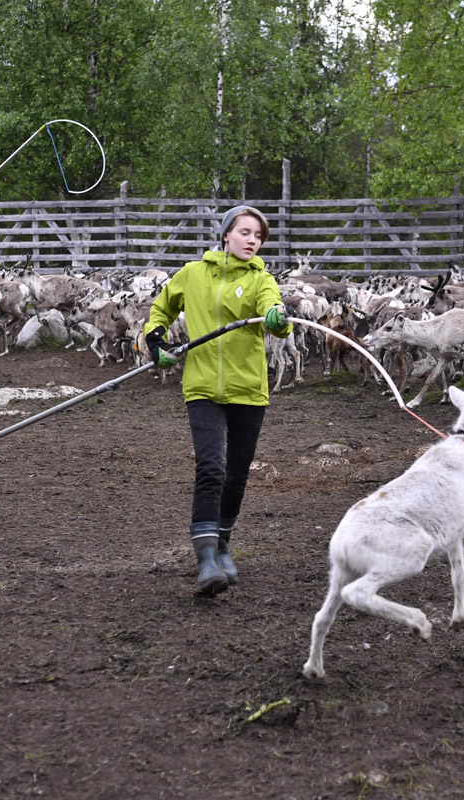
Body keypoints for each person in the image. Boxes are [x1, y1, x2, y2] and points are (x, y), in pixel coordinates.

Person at [143, 205, 292, 596]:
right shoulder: (193, 274)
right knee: (211, 467)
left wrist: (278, 317)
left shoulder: (261, 279)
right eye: (245, 232)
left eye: (258, 236)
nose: (252, 240)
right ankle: (207, 559)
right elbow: (161, 308)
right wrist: (156, 341)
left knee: (236, 475)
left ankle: (223, 543)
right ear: (226, 234)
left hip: (249, 391)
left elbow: (274, 309)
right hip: (203, 387)